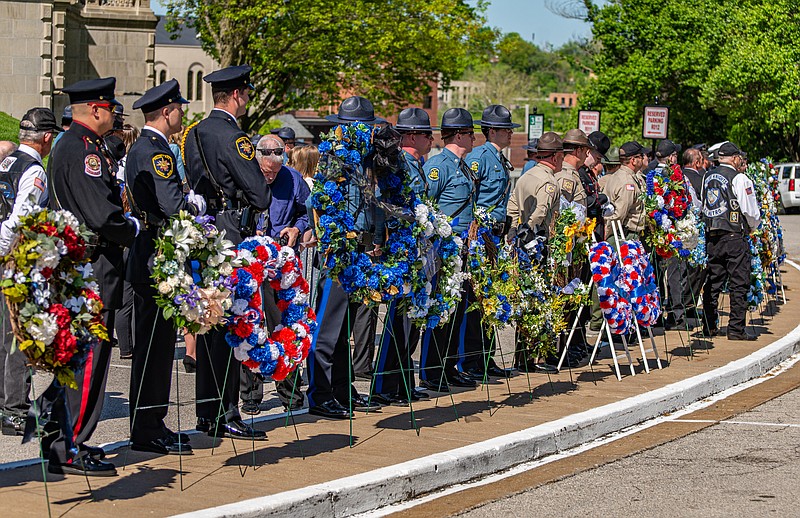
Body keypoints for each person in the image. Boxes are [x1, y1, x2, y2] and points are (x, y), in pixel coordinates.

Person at [42, 77, 140, 476]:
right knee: (87, 362)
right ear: (96, 109)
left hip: (86, 269)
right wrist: (135, 228)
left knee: (82, 360)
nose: (114, 116)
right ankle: (70, 445)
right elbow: (102, 215)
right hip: (92, 268)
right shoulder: (83, 151)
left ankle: (66, 440)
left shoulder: (82, 146)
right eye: (111, 109)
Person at [183, 65, 271, 440]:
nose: (247, 99)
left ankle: (207, 411)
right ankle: (226, 411)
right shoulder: (235, 138)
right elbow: (261, 195)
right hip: (231, 234)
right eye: (247, 93)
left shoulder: (194, 134)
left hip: (205, 233)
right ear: (236, 95)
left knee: (208, 324)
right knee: (232, 324)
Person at [126, 79, 205, 456]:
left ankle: (151, 423)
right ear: (167, 111)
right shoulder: (156, 150)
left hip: (153, 253)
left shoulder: (149, 146)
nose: (181, 114)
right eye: (178, 109)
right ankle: (146, 428)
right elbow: (172, 204)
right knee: (154, 348)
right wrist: (197, 207)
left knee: (156, 346)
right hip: (156, 255)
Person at [306, 96, 385, 418]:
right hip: (339, 254)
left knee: (345, 328)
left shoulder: (368, 159)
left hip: (362, 251)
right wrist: (336, 245)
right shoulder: (334, 158)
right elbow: (319, 204)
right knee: (327, 329)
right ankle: (319, 393)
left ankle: (342, 389)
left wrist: (376, 242)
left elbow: (373, 205)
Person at [239, 134, 310, 415]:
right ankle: (250, 395)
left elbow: (307, 213)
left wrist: (297, 228)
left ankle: (290, 393)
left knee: (285, 328)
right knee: (250, 328)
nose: (269, 176)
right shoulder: (244, 176)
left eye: (274, 172)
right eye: (265, 171)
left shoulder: (293, 179)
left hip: (281, 266)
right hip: (250, 263)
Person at [0, 108, 61, 436]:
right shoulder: (34, 171)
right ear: (48, 137)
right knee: (18, 337)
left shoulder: (8, 162)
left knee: (4, 334)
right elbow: (20, 219)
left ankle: (4, 405)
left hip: (7, 259)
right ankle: (14, 410)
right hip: (17, 261)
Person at [371, 107, 436, 406]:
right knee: (399, 320)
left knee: (411, 319)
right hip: (402, 248)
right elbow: (390, 204)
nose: (431, 139)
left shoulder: (416, 164)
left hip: (417, 248)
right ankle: (385, 384)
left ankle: (401, 382)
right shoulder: (401, 163)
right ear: (411, 136)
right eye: (426, 134)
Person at [417, 108, 479, 392]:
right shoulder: (439, 166)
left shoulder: (463, 165)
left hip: (464, 246)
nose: (473, 138)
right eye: (469, 133)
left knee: (456, 308)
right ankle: (431, 370)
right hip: (445, 247)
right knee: (441, 308)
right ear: (457, 135)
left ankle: (449, 364)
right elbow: (426, 205)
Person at [460, 104, 519, 381]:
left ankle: (485, 356)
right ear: (492, 131)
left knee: (489, 300)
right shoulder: (481, 157)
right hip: (481, 234)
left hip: (494, 236)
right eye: (506, 129)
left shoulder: (499, 159)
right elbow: (469, 195)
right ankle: (472, 360)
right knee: (476, 298)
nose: (510, 134)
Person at [506, 132, 563, 371]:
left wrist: (514, 234)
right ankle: (532, 357)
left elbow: (511, 207)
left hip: (521, 242)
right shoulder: (549, 182)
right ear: (557, 156)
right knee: (537, 299)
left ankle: (522, 356)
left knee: (526, 298)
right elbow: (540, 214)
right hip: (537, 244)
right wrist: (532, 232)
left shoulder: (526, 175)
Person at [701, 142, 760, 341]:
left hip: (712, 235)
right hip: (734, 235)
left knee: (713, 282)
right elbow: (749, 211)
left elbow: (704, 204)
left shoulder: (707, 176)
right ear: (734, 158)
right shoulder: (740, 178)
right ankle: (735, 328)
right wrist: (752, 227)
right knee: (739, 282)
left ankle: (708, 325)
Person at [653, 139, 690, 330]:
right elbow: (685, 201)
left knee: (657, 272)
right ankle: (677, 316)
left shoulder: (649, 173)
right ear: (672, 157)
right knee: (675, 274)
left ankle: (656, 313)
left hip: (654, 230)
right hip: (672, 228)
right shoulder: (675, 175)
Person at [602, 141, 647, 242]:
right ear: (633, 160)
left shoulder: (618, 175)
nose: (643, 159)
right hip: (624, 235)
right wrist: (606, 235)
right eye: (641, 156)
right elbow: (620, 213)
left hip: (622, 232)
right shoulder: (627, 182)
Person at [681, 147, 706, 317]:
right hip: (695, 230)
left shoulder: (678, 176)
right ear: (696, 162)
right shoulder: (701, 179)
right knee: (696, 270)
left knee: (681, 271)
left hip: (679, 229)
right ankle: (688, 305)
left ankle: (681, 305)